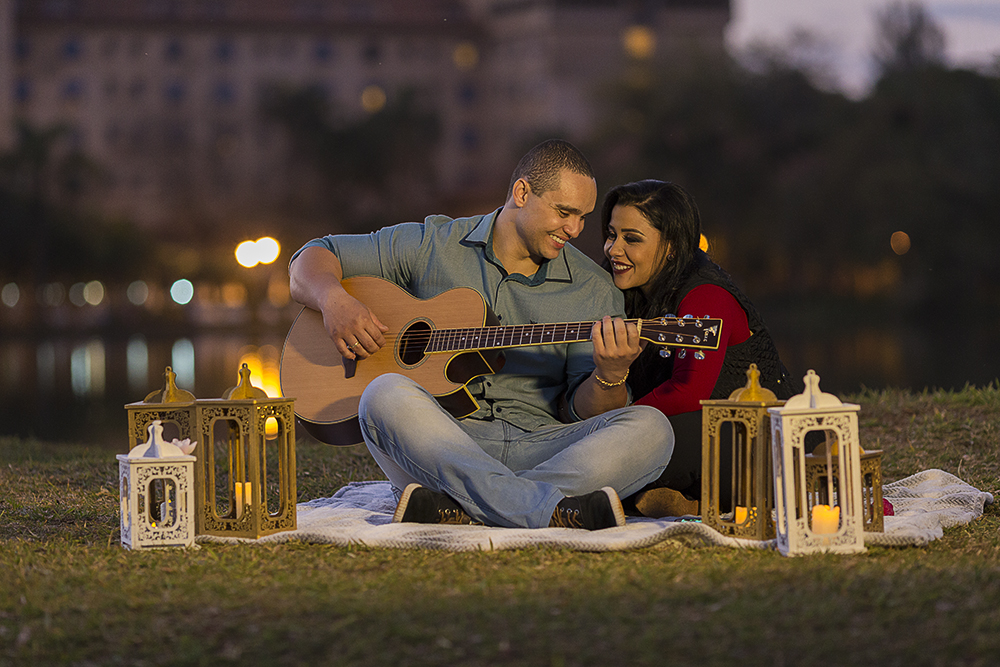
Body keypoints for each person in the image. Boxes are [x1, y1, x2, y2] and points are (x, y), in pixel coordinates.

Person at [288, 140, 673, 530]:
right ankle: (546, 508)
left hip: (543, 449)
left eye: (583, 217)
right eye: (564, 212)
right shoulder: (434, 243)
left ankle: (461, 506)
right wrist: (333, 299)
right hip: (441, 445)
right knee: (382, 394)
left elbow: (582, 412)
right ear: (522, 193)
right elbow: (312, 257)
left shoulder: (594, 288)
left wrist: (610, 375)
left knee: (652, 428)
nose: (575, 229)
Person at [601, 179, 796, 517]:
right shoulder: (627, 292)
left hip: (758, 442)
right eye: (611, 234)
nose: (614, 249)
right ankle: (684, 498)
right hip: (695, 431)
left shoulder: (706, 295)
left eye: (631, 239)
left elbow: (689, 392)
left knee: (625, 449)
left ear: (671, 247)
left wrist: (610, 424)